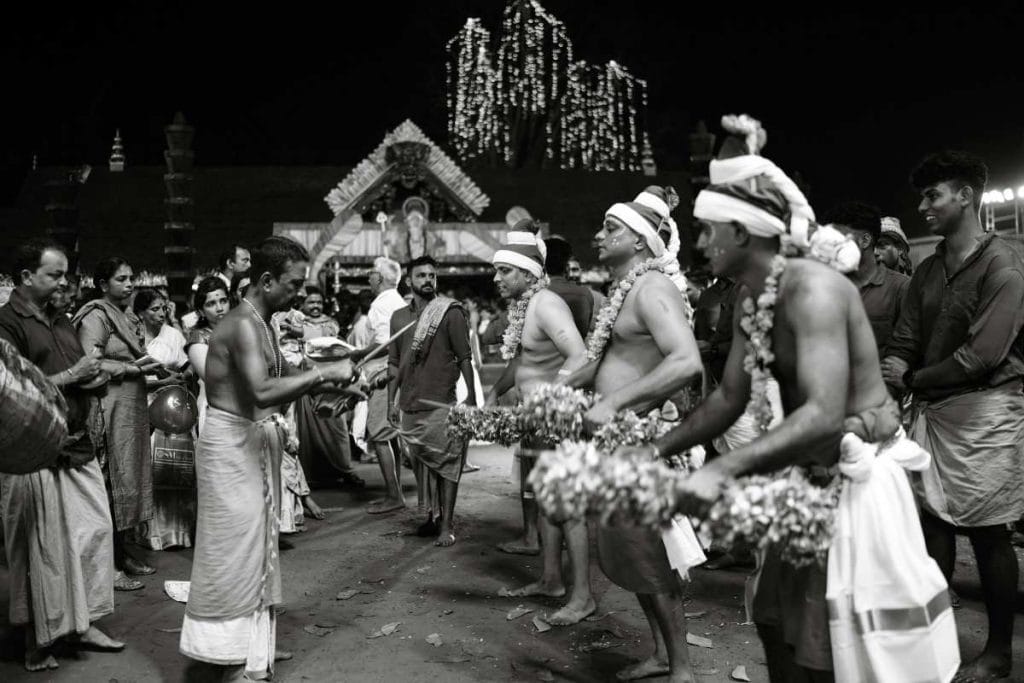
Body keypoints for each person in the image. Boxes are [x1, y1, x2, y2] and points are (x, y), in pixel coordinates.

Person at [647, 118, 950, 682]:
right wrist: (656, 449)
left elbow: (822, 414)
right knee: (775, 624)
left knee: (834, 656)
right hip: (799, 479)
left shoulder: (812, 289)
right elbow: (730, 398)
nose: (698, 243)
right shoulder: (749, 297)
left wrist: (726, 469)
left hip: (853, 484)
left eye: (707, 230)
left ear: (742, 231)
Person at [179, 236, 355, 680]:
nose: (299, 293)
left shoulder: (263, 320)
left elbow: (282, 375)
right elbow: (260, 391)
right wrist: (325, 372)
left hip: (253, 443)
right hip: (229, 446)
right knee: (233, 552)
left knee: (259, 548)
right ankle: (228, 658)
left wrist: (339, 385)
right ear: (265, 279)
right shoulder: (241, 323)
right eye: (294, 285)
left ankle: (254, 648)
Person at [882, 151, 1024, 682]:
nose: (922, 206)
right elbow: (907, 337)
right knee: (934, 525)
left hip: (987, 411)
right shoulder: (930, 267)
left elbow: (980, 356)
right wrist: (897, 363)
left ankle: (998, 652)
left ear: (965, 196)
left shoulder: (1003, 266)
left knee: (989, 534)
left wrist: (911, 379)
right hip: (935, 413)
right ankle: (935, 639)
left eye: (932, 195)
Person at [564, 185, 703, 682]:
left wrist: (615, 403)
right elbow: (602, 361)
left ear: (642, 241)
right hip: (614, 441)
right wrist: (558, 390)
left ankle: (682, 668)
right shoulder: (626, 290)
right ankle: (664, 656)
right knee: (631, 554)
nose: (599, 235)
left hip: (639, 441)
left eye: (611, 228)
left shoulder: (652, 290)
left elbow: (687, 362)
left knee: (652, 556)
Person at [0, 239, 123, 671]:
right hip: (33, 450)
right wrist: (73, 375)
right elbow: (11, 394)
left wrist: (92, 376)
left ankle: (82, 622)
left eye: (65, 274)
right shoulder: (7, 324)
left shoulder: (62, 319)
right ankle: (37, 639)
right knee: (40, 550)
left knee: (94, 531)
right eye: (54, 274)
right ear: (26, 277)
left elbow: (81, 371)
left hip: (75, 443)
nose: (63, 281)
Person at [490, 232, 593, 624]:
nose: (496, 279)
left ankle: (583, 596)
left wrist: (548, 404)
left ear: (529, 273)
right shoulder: (524, 306)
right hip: (536, 421)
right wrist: (495, 393)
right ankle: (551, 580)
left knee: (568, 508)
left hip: (556, 420)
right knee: (548, 502)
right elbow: (524, 361)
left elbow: (579, 356)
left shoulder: (546, 305)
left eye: (504, 271)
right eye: (495, 271)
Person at [73, 256, 162, 591]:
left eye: (131, 279)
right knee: (110, 483)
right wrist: (134, 370)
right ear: (102, 284)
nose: (129, 285)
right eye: (121, 279)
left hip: (131, 408)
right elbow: (90, 365)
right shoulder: (96, 317)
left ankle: (122, 553)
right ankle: (107, 566)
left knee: (127, 476)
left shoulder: (125, 316)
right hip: (107, 409)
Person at [387, 255, 475, 546]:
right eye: (421, 275)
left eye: (432, 276)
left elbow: (464, 357)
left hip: (441, 402)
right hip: (410, 402)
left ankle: (446, 525)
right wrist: (391, 401)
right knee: (422, 464)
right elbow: (394, 364)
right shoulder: (399, 317)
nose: (428, 280)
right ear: (409, 281)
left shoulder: (450, 312)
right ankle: (431, 516)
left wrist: (471, 397)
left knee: (448, 462)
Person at [133, 287, 195, 551]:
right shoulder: (132, 337)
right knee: (148, 471)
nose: (160, 314)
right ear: (140, 312)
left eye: (163, 308)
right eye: (153, 309)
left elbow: (188, 367)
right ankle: (149, 533)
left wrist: (177, 380)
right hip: (141, 406)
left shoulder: (173, 335)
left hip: (170, 408)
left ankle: (177, 533)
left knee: (175, 468)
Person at [292, 284, 365, 489]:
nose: (315, 306)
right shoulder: (295, 322)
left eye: (318, 302)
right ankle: (312, 475)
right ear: (303, 304)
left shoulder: (331, 323)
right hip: (307, 379)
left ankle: (345, 468)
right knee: (309, 431)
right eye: (310, 302)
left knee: (337, 426)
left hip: (332, 379)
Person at [350, 256, 408, 514]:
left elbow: (385, 341)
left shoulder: (382, 304)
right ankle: (393, 491)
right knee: (389, 432)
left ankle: (394, 495)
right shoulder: (396, 301)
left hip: (382, 371)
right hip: (392, 371)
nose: (369, 277)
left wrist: (357, 353)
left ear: (381, 278)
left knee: (379, 432)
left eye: (372, 272)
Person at [821, 201, 910, 356]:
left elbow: (907, 349)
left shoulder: (901, 288)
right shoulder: (826, 287)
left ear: (865, 241)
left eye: (838, 239)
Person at [186, 276, 231, 434]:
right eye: (211, 304)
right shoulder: (198, 337)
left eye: (223, 301)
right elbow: (214, 378)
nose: (220, 308)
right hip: (215, 407)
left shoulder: (241, 331)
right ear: (200, 311)